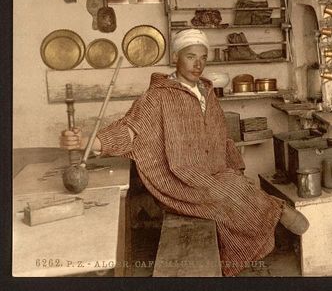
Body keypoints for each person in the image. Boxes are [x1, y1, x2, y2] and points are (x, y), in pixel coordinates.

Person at [60, 29, 309, 276]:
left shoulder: (207, 92)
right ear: (176, 57)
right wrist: (89, 142)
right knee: (233, 191)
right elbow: (131, 131)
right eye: (191, 56)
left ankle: (234, 253)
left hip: (214, 173)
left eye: (203, 57)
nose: (198, 64)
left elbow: (223, 137)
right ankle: (278, 210)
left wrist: (236, 168)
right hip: (180, 178)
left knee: (236, 187)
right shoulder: (157, 97)